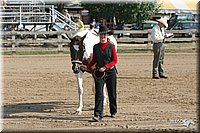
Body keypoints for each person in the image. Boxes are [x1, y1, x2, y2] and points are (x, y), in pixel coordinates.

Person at [86, 25, 118, 122]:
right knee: (98, 94)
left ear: (107, 35)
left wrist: (106, 67)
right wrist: (87, 67)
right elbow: (94, 60)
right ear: (99, 36)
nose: (103, 36)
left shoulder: (111, 46)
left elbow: (115, 60)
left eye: (104, 35)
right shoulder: (95, 47)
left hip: (111, 72)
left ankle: (113, 111)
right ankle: (98, 114)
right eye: (101, 35)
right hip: (99, 73)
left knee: (111, 92)